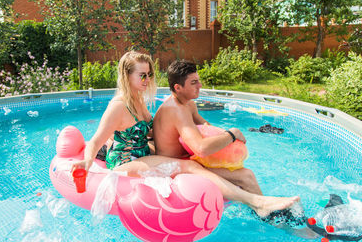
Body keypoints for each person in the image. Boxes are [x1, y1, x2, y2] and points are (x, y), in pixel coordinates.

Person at [74, 51, 298, 218]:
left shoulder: (139, 101)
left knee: (233, 172)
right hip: (126, 163)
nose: (148, 80)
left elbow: (145, 133)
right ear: (126, 76)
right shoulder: (118, 106)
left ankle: (267, 212)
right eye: (142, 75)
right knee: (191, 167)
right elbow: (95, 140)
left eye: (150, 75)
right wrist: (86, 161)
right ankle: (257, 202)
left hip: (144, 155)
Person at [153, 59, 301, 217]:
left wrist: (228, 146)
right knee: (246, 177)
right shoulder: (176, 110)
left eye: (199, 80)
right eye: (194, 82)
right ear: (178, 87)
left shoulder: (188, 105)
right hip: (174, 168)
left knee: (243, 172)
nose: (200, 85)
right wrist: (232, 134)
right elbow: (201, 148)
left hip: (188, 161)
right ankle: (270, 215)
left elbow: (208, 127)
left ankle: (266, 209)